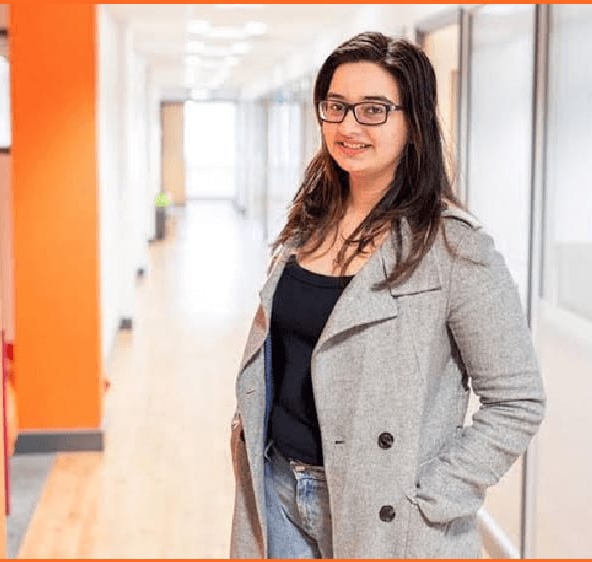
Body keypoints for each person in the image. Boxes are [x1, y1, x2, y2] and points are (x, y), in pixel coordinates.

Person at [229, 31, 545, 559]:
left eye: (373, 109)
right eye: (336, 106)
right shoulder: (309, 222)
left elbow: (518, 401)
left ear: (413, 122)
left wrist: (431, 498)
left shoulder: (454, 247)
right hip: (280, 489)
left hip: (384, 513)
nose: (349, 126)